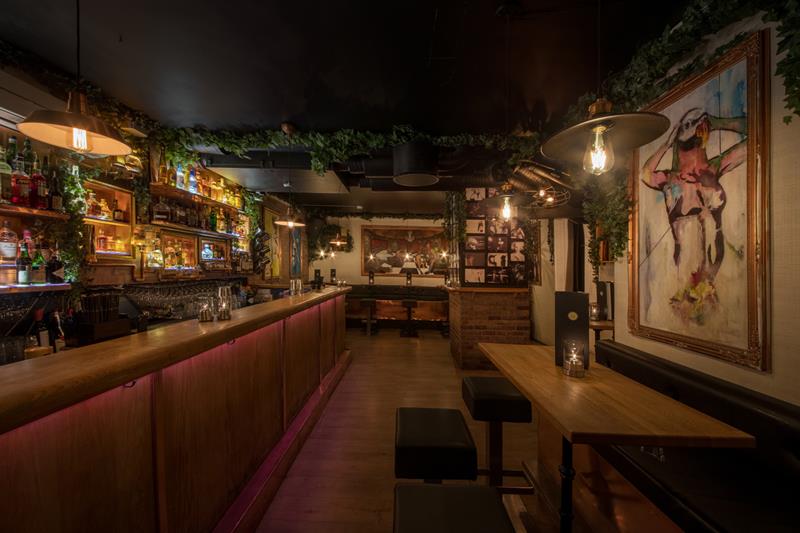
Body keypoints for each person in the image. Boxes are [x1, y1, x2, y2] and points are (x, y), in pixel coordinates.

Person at [641, 107, 747, 319]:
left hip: (711, 272)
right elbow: (645, 174)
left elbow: (753, 137)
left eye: (695, 147)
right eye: (685, 149)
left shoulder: (712, 170)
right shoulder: (671, 180)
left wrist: (717, 122)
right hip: (684, 273)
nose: (690, 157)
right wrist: (666, 143)